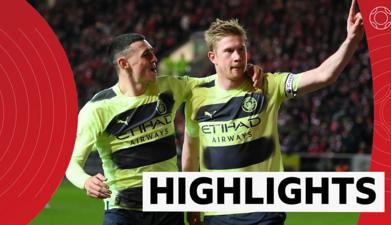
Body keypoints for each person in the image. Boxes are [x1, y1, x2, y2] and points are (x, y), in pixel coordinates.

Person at [182, 0, 364, 225]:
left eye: (242, 49)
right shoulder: (195, 95)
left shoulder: (268, 85)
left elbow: (323, 75)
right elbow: (190, 157)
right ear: (212, 57)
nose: (238, 57)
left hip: (264, 211)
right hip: (218, 213)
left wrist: (351, 40)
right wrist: (191, 204)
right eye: (229, 51)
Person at [65, 33, 263, 225]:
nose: (155, 58)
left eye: (152, 52)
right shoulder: (97, 109)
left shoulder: (168, 87)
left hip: (168, 208)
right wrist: (85, 181)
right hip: (124, 211)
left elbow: (213, 82)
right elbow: (71, 163)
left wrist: (243, 70)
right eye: (146, 55)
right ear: (123, 64)